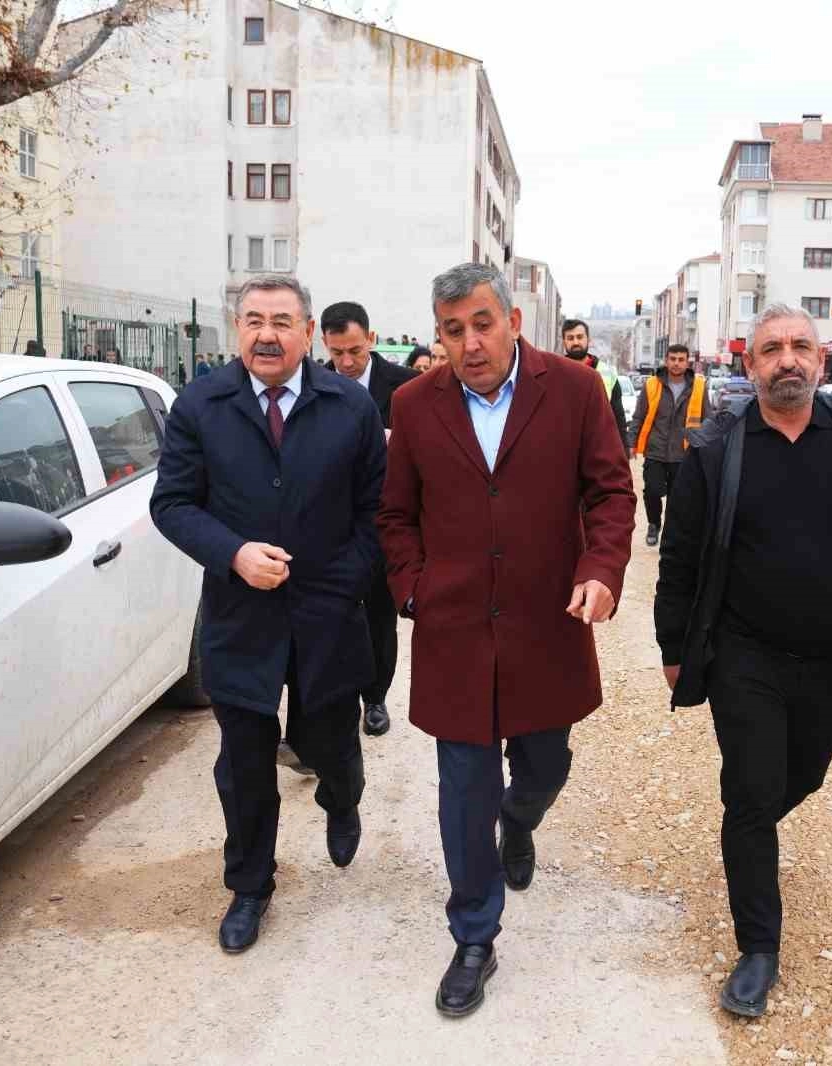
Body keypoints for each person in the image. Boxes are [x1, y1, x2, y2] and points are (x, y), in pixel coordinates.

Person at [653, 302, 832, 1019]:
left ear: (820, 361)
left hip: (831, 659)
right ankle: (759, 947)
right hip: (743, 657)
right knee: (752, 793)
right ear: (750, 365)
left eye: (800, 347)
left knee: (806, 772)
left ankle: (745, 835)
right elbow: (679, 561)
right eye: (772, 349)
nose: (787, 359)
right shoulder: (716, 451)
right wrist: (674, 647)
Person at [379, 263, 635, 1017]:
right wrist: (413, 588)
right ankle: (474, 937)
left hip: (546, 625)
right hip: (454, 633)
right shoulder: (413, 405)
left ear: (514, 321)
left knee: (545, 768)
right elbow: (394, 514)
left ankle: (518, 824)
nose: (470, 343)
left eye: (482, 324)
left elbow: (610, 492)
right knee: (464, 792)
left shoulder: (575, 390)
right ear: (439, 335)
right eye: (453, 330)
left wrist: (601, 569)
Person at [150, 274, 386, 955]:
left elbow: (378, 511)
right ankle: (250, 885)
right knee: (245, 764)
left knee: (327, 742)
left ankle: (342, 796)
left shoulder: (349, 406)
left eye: (282, 321)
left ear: (308, 333)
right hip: (240, 618)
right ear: (238, 330)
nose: (266, 334)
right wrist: (233, 553)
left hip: (326, 615)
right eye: (254, 320)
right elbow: (172, 504)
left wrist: (345, 581)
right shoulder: (201, 405)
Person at [321, 300, 419, 738]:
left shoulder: (406, 388)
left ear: (371, 339)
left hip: (385, 520)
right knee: (332, 614)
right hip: (331, 523)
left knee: (380, 614)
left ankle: (375, 697)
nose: (346, 362)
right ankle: (334, 699)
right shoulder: (314, 386)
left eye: (355, 351)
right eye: (337, 352)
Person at [630, 343, 710, 547]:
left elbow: (707, 419)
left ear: (687, 362)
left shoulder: (699, 386)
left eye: (681, 359)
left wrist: (708, 448)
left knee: (678, 497)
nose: (676, 363)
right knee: (652, 491)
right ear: (666, 360)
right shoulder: (652, 385)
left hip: (684, 452)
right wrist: (631, 443)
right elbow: (638, 416)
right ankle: (654, 524)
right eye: (673, 359)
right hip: (655, 450)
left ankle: (670, 533)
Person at [562, 319, 628, 451]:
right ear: (564, 342)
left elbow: (618, 418)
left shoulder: (607, 374)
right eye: (570, 338)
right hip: (565, 448)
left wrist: (623, 451)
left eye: (580, 337)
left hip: (598, 448)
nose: (575, 342)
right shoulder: (555, 371)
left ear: (589, 340)